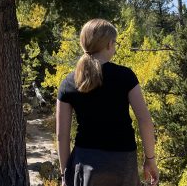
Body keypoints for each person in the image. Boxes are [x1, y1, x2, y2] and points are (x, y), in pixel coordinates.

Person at [56, 19, 159, 186]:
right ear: (110, 44)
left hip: (85, 161)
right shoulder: (125, 76)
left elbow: (62, 136)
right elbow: (144, 120)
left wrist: (64, 175)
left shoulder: (68, 82)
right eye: (115, 43)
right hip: (122, 162)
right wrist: (150, 159)